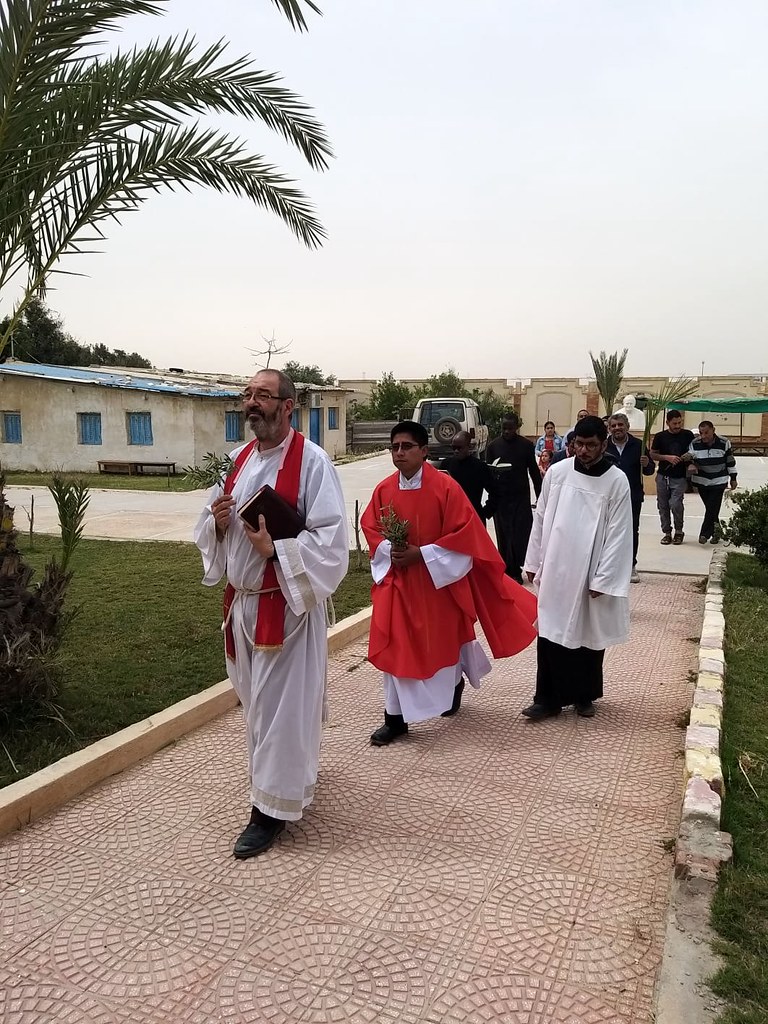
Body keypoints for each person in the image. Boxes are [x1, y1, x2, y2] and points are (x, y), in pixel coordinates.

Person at [194, 369, 348, 859]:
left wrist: (277, 550)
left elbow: (331, 543)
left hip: (286, 611)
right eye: (248, 395)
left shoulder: (313, 463)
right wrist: (216, 524)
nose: (252, 403)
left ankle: (270, 813)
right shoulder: (240, 459)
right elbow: (214, 522)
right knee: (261, 708)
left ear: (289, 405)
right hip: (245, 605)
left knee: (282, 713)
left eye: (263, 396)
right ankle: (284, 781)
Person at [362, 421, 538, 745]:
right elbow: (372, 528)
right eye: (394, 447)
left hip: (437, 585)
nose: (399, 453)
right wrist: (390, 549)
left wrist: (422, 554)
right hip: (398, 584)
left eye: (406, 447)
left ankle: (454, 682)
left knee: (441, 645)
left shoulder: (445, 488)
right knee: (394, 648)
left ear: (424, 451)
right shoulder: (384, 490)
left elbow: (465, 535)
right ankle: (395, 718)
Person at [522, 415, 633, 720]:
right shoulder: (557, 473)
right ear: (571, 444)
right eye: (579, 444)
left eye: (591, 445)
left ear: (604, 444)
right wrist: (533, 562)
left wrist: (604, 578)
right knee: (550, 633)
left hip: (591, 572)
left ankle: (584, 696)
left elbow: (620, 533)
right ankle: (546, 699)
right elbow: (541, 519)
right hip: (557, 568)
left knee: (588, 635)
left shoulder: (616, 481)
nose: (583, 450)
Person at [486, 413, 541, 583]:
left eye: (510, 428)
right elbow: (488, 474)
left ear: (516, 427)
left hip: (520, 497)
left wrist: (541, 497)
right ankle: (510, 570)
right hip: (501, 498)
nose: (507, 432)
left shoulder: (525, 445)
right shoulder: (493, 446)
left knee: (521, 533)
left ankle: (520, 565)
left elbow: (533, 471)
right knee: (505, 534)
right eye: (504, 428)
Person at [606, 412, 655, 583]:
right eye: (613, 426)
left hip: (632, 495)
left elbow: (649, 471)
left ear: (627, 427)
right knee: (607, 531)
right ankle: (609, 566)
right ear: (609, 428)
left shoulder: (638, 445)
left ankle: (630, 565)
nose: (617, 428)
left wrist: (647, 463)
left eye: (620, 425)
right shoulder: (605, 446)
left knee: (631, 531)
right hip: (608, 497)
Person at [687, 421, 738, 544]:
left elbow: (730, 461)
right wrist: (690, 464)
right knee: (712, 509)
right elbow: (690, 459)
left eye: (706, 433)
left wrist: (733, 478)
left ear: (713, 430)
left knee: (711, 507)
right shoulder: (694, 443)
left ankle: (704, 533)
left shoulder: (724, 442)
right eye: (701, 433)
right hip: (702, 481)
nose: (703, 436)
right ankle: (717, 532)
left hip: (719, 480)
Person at [650, 410, 695, 545]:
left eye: (679, 423)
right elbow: (652, 454)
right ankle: (667, 532)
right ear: (667, 423)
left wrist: (690, 462)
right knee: (662, 505)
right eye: (674, 423)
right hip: (663, 475)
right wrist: (666, 458)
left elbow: (694, 451)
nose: (677, 426)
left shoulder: (688, 435)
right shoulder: (660, 437)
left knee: (676, 504)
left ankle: (679, 531)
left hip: (679, 476)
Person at [439, 430, 497, 521]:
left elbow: (495, 491)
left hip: (473, 515)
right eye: (454, 448)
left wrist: (486, 511)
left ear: (469, 447)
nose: (456, 451)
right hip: (451, 516)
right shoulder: (446, 465)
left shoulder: (480, 467)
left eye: (459, 448)